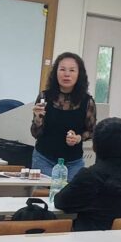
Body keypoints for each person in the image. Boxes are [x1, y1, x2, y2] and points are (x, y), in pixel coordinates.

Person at [30, 52, 96, 180]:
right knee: (42, 192)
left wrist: (78, 138)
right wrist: (37, 119)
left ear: (79, 74)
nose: (66, 74)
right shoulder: (44, 97)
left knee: (72, 193)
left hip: (73, 163)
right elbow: (35, 134)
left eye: (72, 70)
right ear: (55, 73)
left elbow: (92, 131)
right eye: (62, 69)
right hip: (44, 159)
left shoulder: (87, 101)